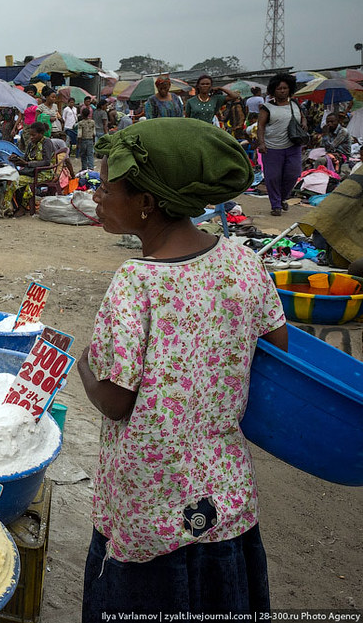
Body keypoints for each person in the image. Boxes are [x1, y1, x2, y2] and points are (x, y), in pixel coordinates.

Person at [80, 118, 287, 621]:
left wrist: (84, 364)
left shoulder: (137, 281)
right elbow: (277, 347)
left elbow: (115, 400)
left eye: (107, 187)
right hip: (225, 492)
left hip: (149, 499)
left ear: (146, 203)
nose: (96, 197)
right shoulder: (242, 260)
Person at [257, 72, 305, 217]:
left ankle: (283, 197)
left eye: (285, 88)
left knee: (293, 173)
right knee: (273, 177)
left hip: (293, 146)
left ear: (290, 88)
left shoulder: (295, 104)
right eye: (279, 88)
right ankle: (276, 205)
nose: (282, 91)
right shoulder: (267, 107)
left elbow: (302, 118)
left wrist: (304, 124)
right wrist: (261, 143)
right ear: (273, 90)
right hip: (272, 148)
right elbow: (260, 126)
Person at [4, 122, 57, 216]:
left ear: (41, 134)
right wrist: (16, 159)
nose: (31, 137)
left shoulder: (47, 142)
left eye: (34, 135)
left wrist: (28, 164)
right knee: (10, 179)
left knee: (15, 182)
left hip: (44, 173)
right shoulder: (31, 144)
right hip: (31, 172)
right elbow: (25, 158)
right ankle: (9, 207)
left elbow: (47, 162)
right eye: (30, 135)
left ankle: (22, 207)